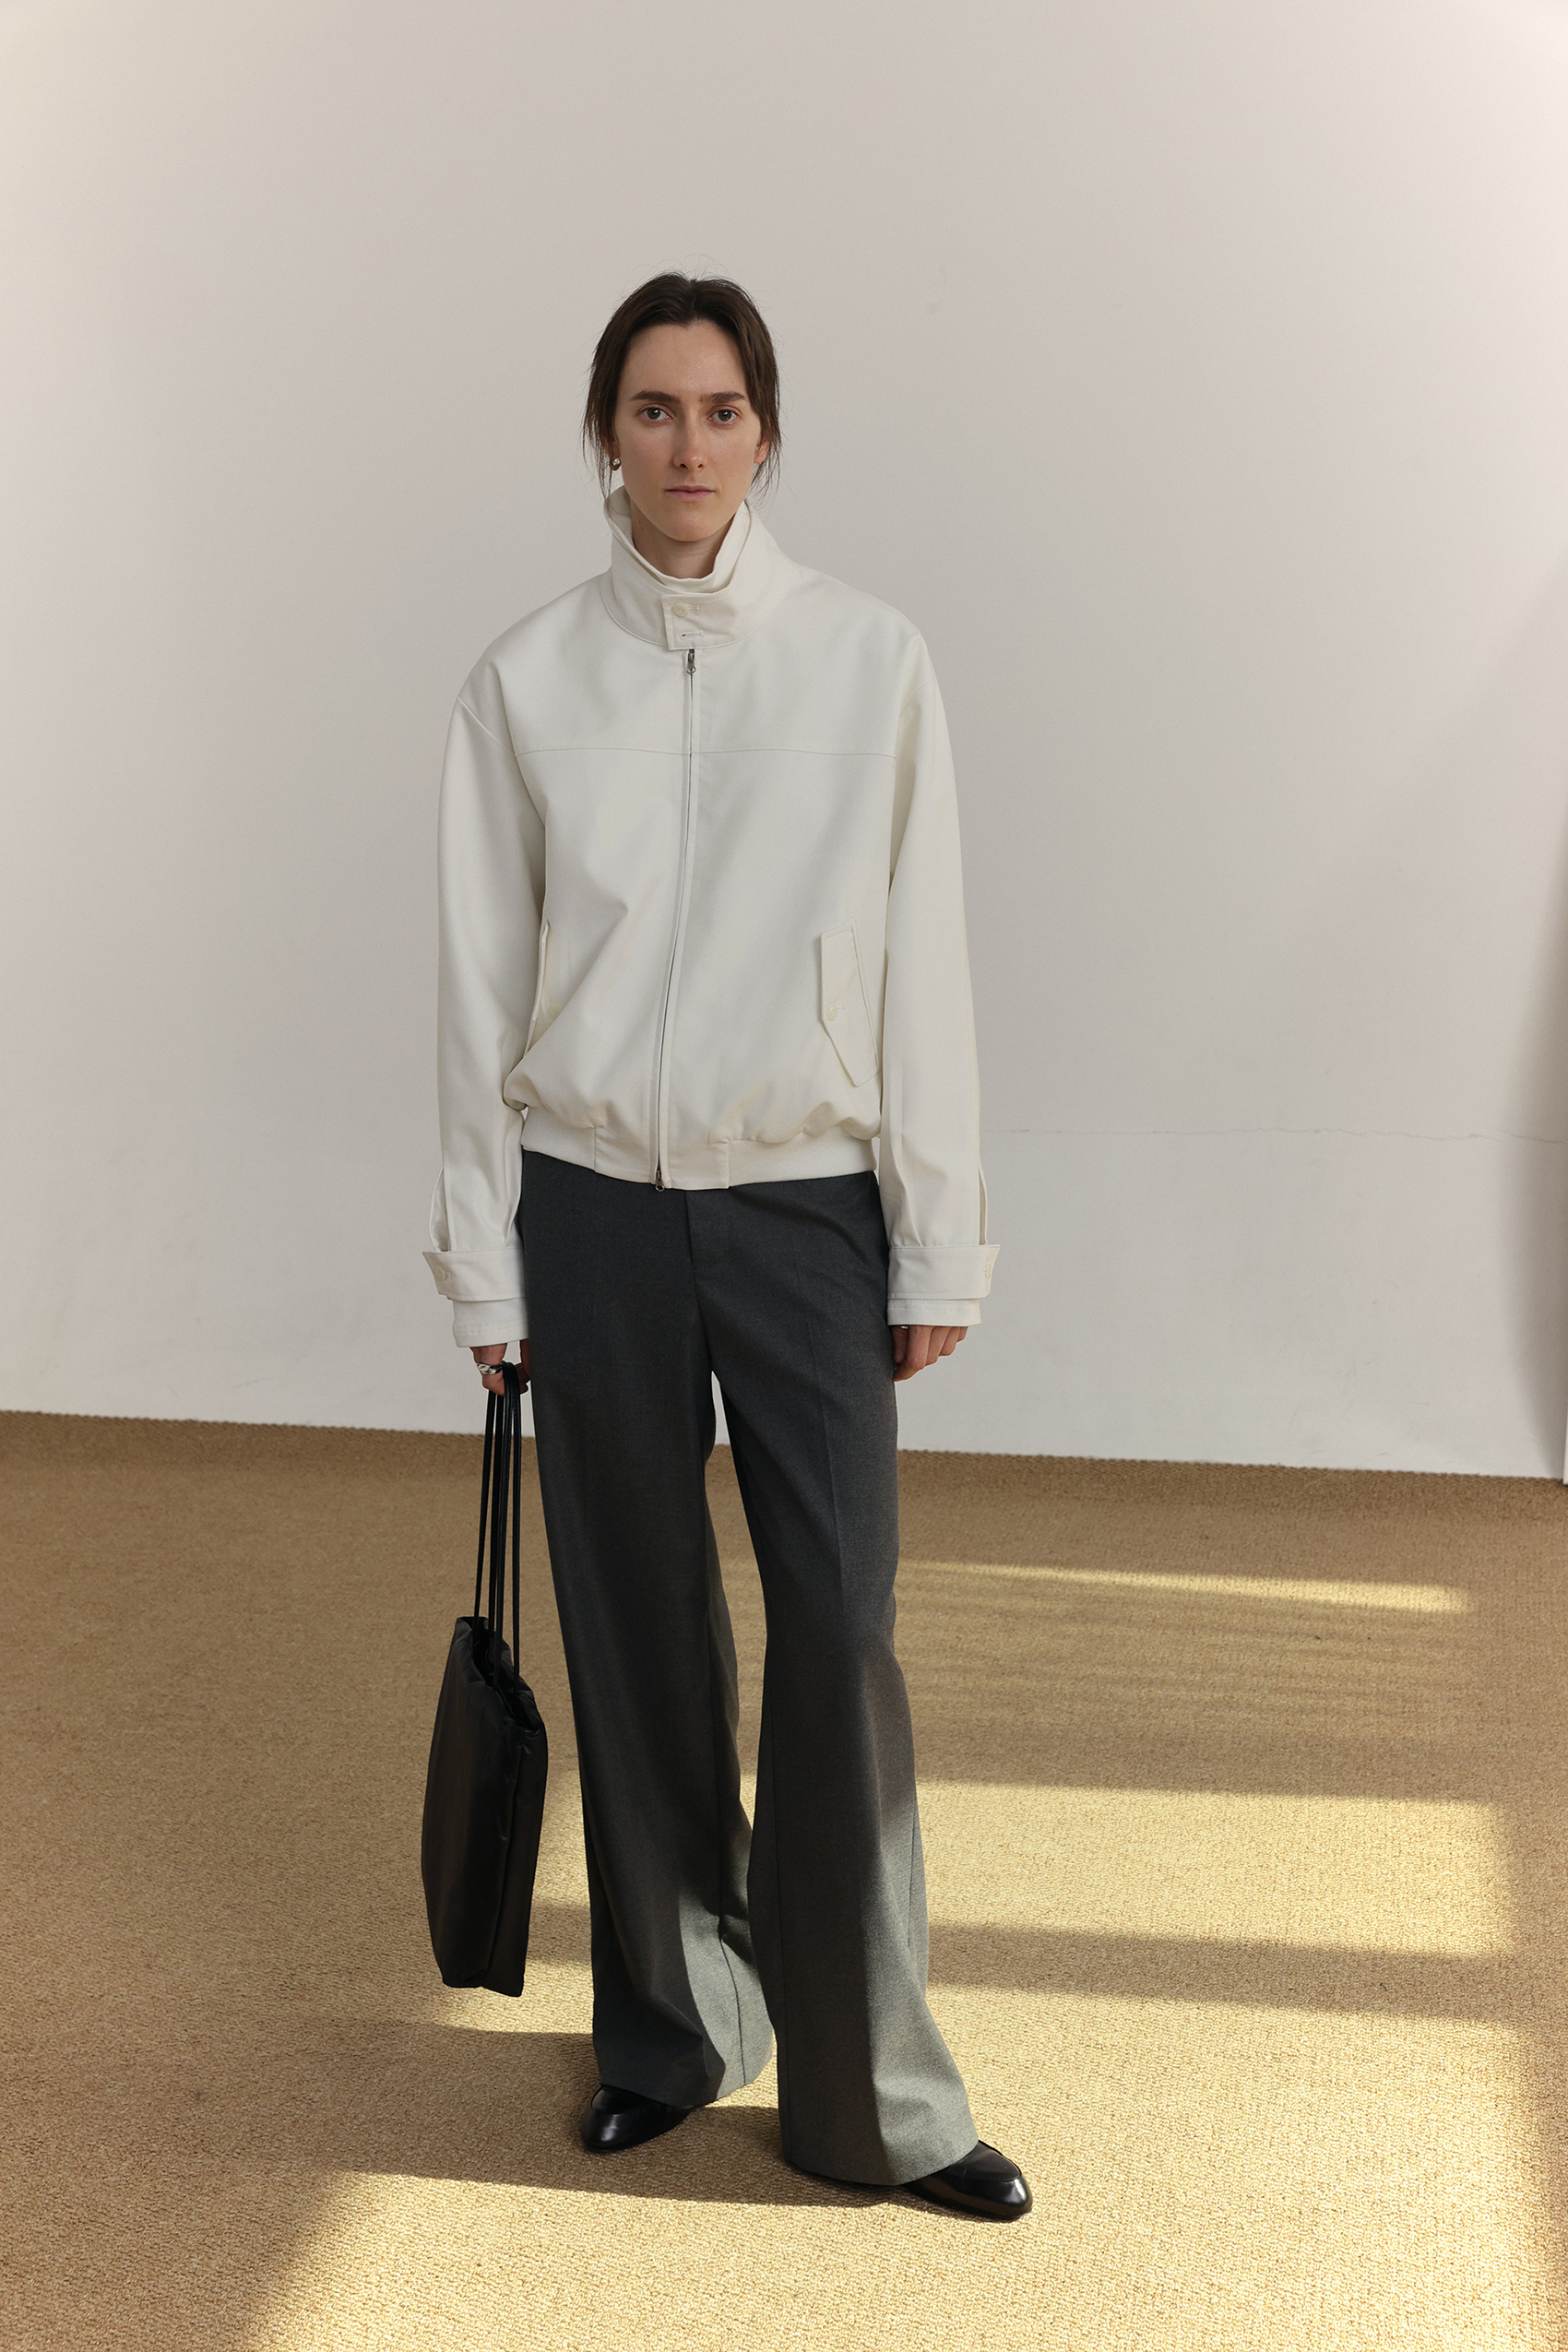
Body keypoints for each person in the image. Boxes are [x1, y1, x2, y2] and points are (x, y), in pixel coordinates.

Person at [423, 273, 1028, 2221]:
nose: (686, 445)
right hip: (592, 1207)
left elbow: (925, 965)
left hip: (803, 1209)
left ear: (766, 433)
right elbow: (475, 991)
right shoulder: (525, 682)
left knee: (837, 1634)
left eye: (720, 409)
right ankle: (675, 2035)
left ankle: (878, 2102)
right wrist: (486, 1261)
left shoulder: (870, 663)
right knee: (636, 1624)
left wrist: (936, 1237)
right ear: (605, 435)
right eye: (651, 409)